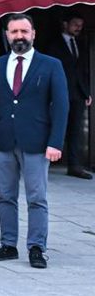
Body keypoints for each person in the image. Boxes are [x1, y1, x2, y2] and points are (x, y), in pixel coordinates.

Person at [0, 14, 70, 269]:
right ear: (7, 35)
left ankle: (36, 248)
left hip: (38, 143)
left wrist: (56, 142)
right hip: (3, 141)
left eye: (24, 31)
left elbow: (61, 106)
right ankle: (8, 245)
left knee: (36, 197)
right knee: (5, 196)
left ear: (33, 34)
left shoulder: (51, 64)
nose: (19, 36)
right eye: (14, 32)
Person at [43, 14, 90, 179]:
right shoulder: (53, 45)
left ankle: (74, 165)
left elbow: (82, 70)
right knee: (54, 127)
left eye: (81, 25)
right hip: (58, 93)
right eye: (75, 24)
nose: (79, 27)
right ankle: (44, 162)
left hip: (77, 94)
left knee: (75, 130)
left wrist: (86, 92)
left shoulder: (80, 44)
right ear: (65, 24)